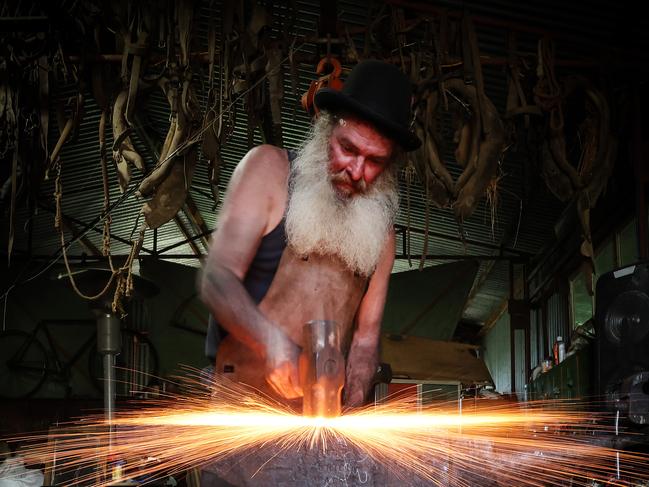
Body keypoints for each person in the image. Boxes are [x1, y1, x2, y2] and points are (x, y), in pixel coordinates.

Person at [200, 59, 420, 408]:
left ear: (389, 164)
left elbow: (365, 340)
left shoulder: (381, 231)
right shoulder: (267, 171)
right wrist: (271, 342)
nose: (356, 170)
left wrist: (359, 389)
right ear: (325, 130)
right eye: (347, 149)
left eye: (374, 160)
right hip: (241, 405)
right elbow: (217, 279)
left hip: (321, 412)